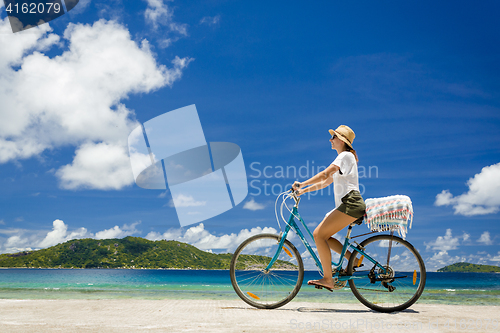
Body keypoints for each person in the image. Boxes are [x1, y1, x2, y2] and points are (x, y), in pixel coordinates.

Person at [292, 125, 366, 291]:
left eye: (333, 137)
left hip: (350, 203)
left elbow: (325, 174)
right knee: (323, 235)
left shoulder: (345, 156)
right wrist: (302, 191)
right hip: (347, 204)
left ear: (341, 140)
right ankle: (353, 259)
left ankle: (328, 279)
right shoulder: (346, 158)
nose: (330, 140)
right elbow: (325, 182)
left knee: (319, 235)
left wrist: (301, 183)